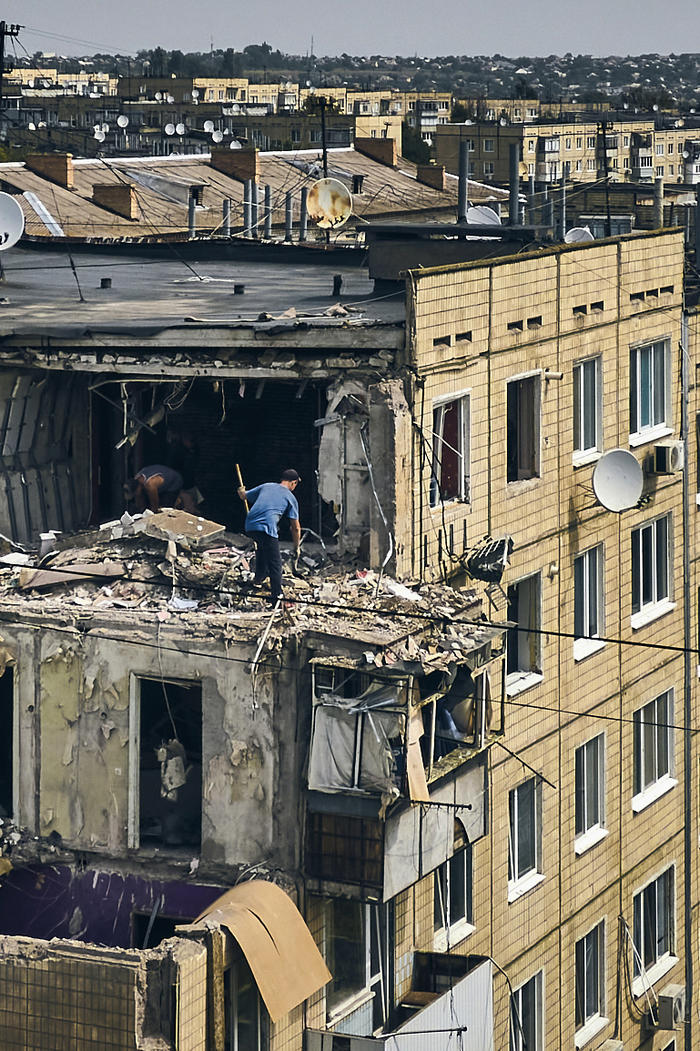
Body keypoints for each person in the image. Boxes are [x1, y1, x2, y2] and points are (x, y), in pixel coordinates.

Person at [238, 469, 301, 604]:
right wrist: (297, 547)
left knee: (262, 548)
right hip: (266, 527)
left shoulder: (266, 486)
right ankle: (276, 597)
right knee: (275, 563)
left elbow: (243, 496)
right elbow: (295, 528)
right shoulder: (291, 497)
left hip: (250, 525)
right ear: (293, 483)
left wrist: (241, 490)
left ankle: (258, 579)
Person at [125, 465, 198, 514]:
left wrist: (153, 513)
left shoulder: (150, 484)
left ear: (138, 488)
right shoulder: (136, 478)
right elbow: (140, 500)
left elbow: (154, 506)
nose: (135, 496)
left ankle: (178, 503)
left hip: (174, 481)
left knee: (164, 508)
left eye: (135, 493)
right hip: (160, 482)